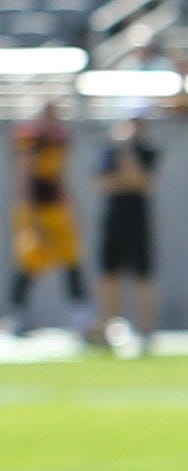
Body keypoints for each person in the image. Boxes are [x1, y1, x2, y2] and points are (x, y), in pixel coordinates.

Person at [10, 103, 88, 336]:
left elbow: (61, 179)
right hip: (36, 209)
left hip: (56, 209)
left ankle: (80, 316)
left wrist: (72, 212)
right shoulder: (31, 142)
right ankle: (17, 314)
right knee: (29, 261)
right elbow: (25, 179)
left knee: (71, 258)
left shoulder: (58, 141)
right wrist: (31, 215)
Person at [94, 108, 161, 352]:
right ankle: (109, 327)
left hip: (138, 219)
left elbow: (142, 183)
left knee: (143, 275)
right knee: (109, 275)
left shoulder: (147, 151)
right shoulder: (109, 151)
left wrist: (129, 153)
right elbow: (106, 184)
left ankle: (146, 330)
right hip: (114, 218)